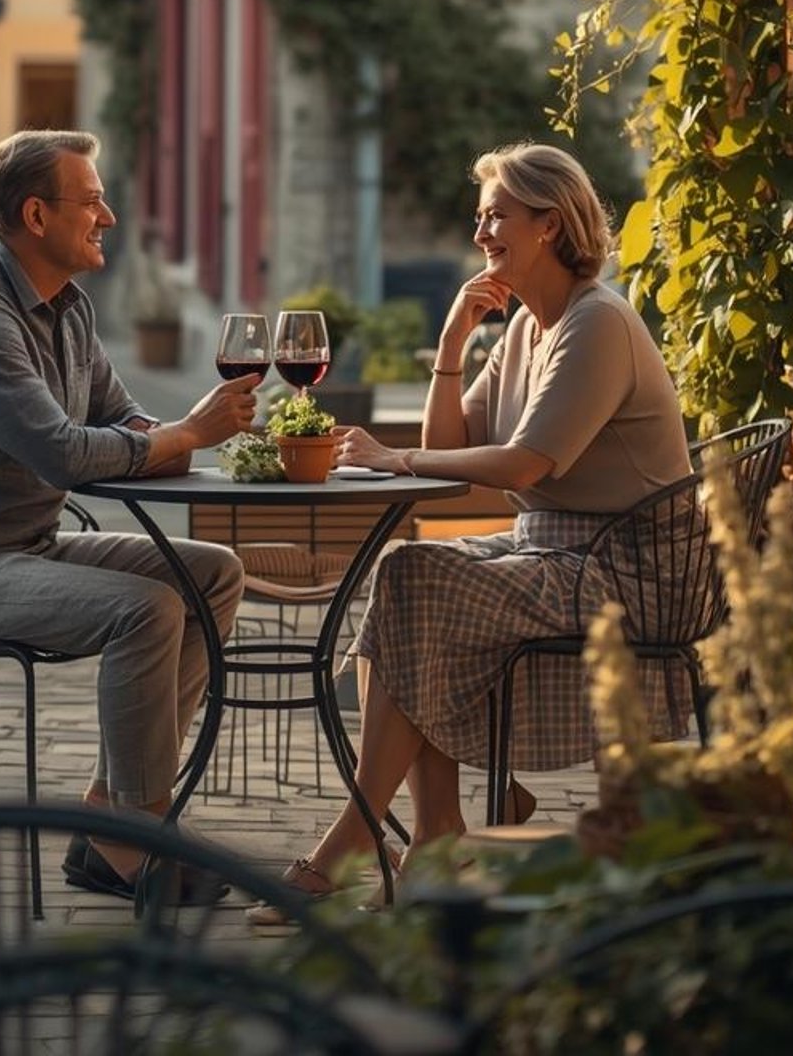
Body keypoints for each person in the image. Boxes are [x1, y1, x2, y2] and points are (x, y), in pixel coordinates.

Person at [257, 140, 691, 915]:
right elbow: (455, 454)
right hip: (557, 551)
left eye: (497, 218)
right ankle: (435, 832)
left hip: (630, 572)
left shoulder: (597, 324)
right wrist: (453, 343)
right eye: (480, 218)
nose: (481, 234)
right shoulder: (528, 327)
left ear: (550, 225)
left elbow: (526, 464)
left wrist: (395, 459)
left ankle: (369, 835)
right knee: (405, 571)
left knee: (415, 580)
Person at [0, 129, 259, 901]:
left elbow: (122, 421)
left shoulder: (66, 308)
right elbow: (65, 455)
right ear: (37, 216)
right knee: (145, 610)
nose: (108, 216)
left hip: (21, 546)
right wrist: (186, 436)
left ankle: (106, 818)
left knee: (209, 575)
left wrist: (177, 437)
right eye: (92, 200)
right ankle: (138, 842)